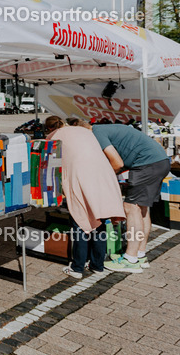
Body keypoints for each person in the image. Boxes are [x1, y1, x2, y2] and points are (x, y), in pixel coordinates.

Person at [44, 117, 126, 278]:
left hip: (81, 176)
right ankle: (97, 265)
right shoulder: (84, 131)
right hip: (103, 174)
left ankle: (77, 268)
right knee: (100, 217)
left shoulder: (53, 136)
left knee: (80, 220)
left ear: (49, 128)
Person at [92, 123, 171, 273]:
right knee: (142, 209)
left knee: (131, 207)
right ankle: (140, 255)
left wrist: (104, 178)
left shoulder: (96, 131)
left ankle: (130, 259)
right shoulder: (109, 128)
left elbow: (117, 163)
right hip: (160, 161)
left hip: (146, 164)